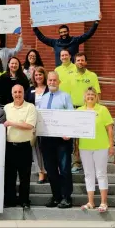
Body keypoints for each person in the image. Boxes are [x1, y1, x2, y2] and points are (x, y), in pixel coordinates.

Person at [38, 71, 74, 209]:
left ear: (59, 82)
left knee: (64, 169)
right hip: (47, 139)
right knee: (51, 170)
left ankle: (66, 197)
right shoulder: (43, 98)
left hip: (62, 139)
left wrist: (69, 132)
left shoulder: (65, 97)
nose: (52, 82)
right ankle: (56, 197)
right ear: (47, 82)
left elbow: (71, 116)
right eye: (50, 80)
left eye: (54, 80)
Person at [75, 87, 114, 213]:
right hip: (84, 146)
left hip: (101, 146)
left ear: (96, 97)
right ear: (84, 97)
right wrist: (76, 147)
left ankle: (103, 202)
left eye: (93, 94)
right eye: (88, 94)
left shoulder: (102, 109)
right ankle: (90, 202)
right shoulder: (79, 110)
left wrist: (111, 145)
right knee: (88, 174)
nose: (90, 96)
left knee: (101, 174)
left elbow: (109, 128)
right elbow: (76, 130)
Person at [3, 85, 37, 209]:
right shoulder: (6, 108)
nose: (17, 94)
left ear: (24, 93)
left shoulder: (30, 107)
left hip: (24, 147)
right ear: (12, 94)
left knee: (25, 176)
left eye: (20, 92)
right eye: (15, 92)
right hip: (10, 146)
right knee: (10, 176)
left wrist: (11, 123)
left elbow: (29, 125)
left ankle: (24, 200)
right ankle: (10, 200)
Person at [31, 13, 101, 66]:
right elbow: (42, 38)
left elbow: (88, 34)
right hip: (60, 71)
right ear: (59, 33)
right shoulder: (55, 43)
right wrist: (34, 28)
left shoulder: (75, 40)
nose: (63, 33)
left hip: (73, 71)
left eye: (65, 32)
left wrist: (96, 22)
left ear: (68, 32)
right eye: (61, 32)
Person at [24, 66, 48, 184]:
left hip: (48, 123)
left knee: (47, 147)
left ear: (44, 76)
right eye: (36, 75)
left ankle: (50, 169)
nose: (38, 77)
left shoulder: (49, 89)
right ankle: (41, 172)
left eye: (40, 74)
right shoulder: (30, 89)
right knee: (36, 147)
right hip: (34, 122)